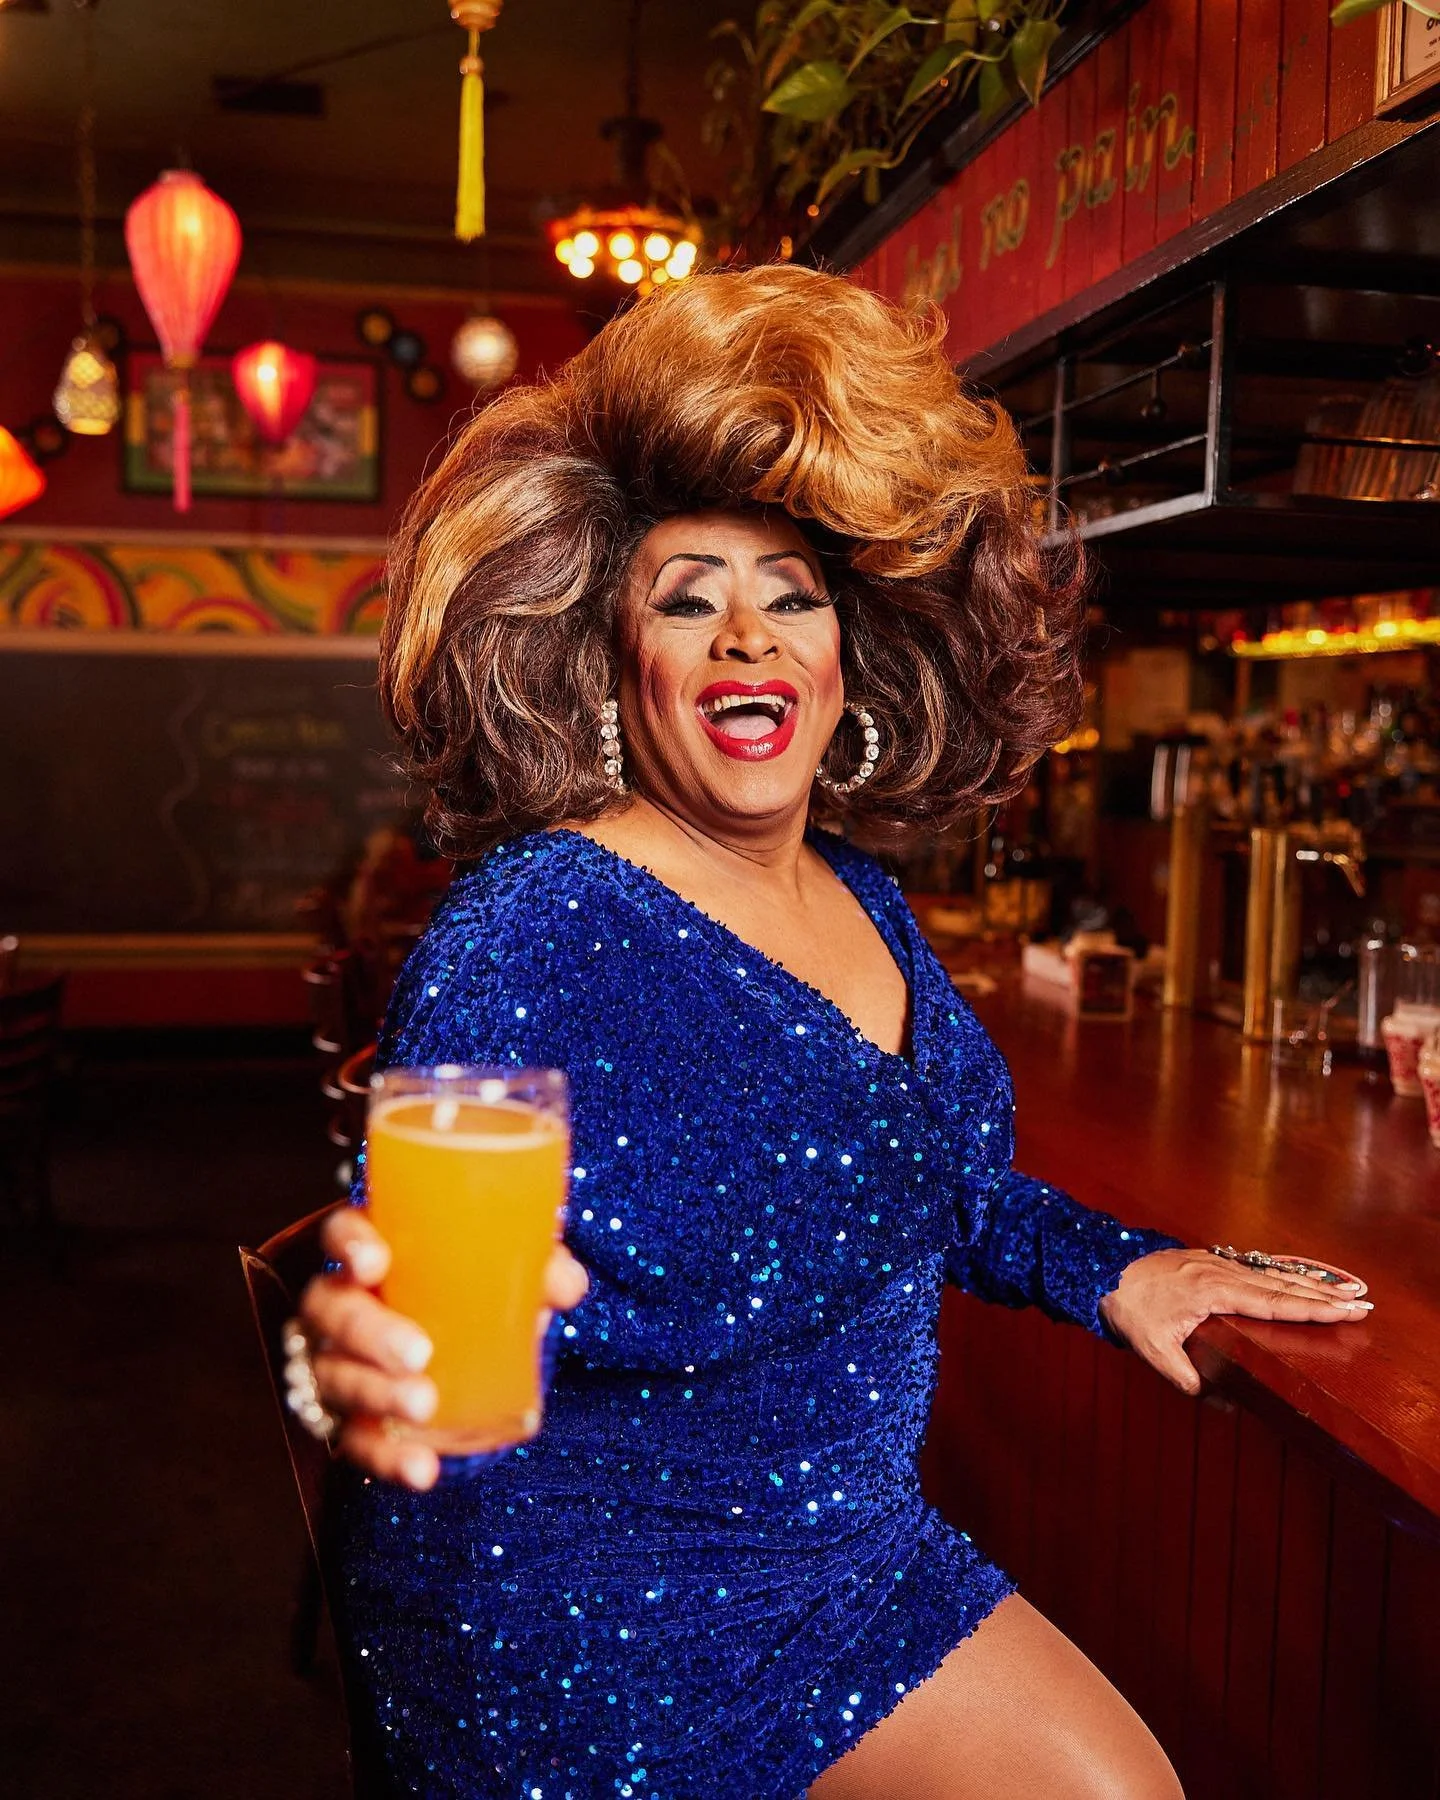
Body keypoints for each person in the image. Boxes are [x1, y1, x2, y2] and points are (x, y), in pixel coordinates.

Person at [292, 265, 1372, 1800]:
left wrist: (1110, 1261)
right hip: (566, 1612)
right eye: (687, 599)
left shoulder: (864, 901)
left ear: (852, 653)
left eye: (792, 593)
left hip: (853, 1564)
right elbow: (402, 1285)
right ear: (614, 660)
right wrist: (348, 1361)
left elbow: (934, 1179)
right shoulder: (530, 930)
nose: (748, 637)